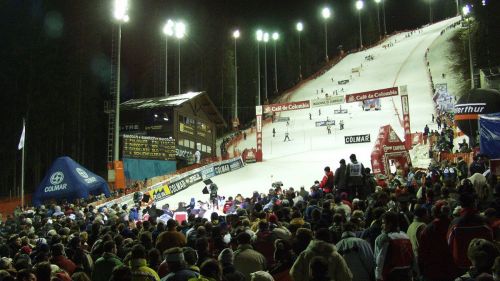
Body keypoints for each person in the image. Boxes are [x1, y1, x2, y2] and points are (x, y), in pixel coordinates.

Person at [374, 211, 419, 281]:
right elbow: (413, 258)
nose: (381, 226)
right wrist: (416, 273)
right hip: (406, 274)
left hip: (392, 275)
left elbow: (381, 259)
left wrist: (378, 277)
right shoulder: (406, 237)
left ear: (390, 224)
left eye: (383, 223)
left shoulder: (386, 238)